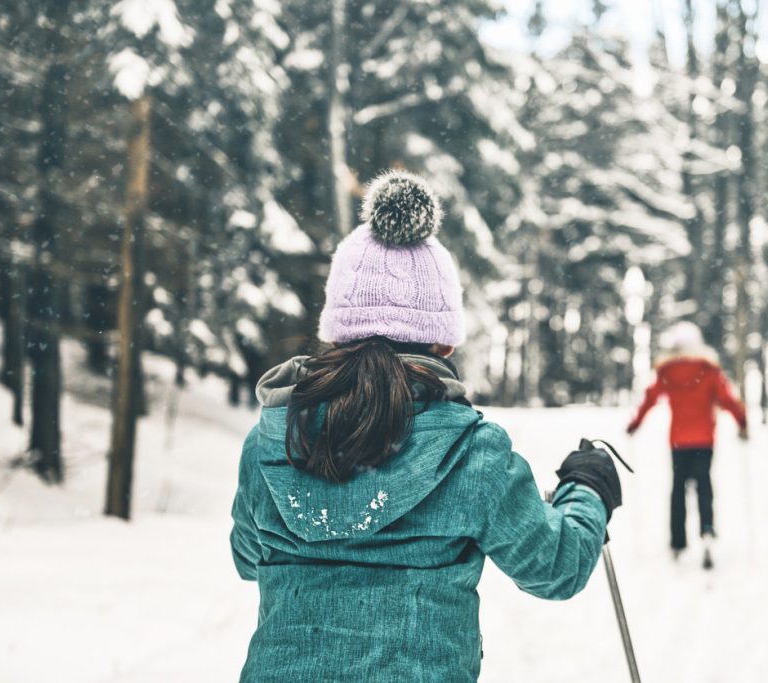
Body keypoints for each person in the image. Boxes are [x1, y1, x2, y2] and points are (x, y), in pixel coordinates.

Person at [230, 171, 623, 682]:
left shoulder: (275, 437)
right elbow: (556, 567)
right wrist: (587, 489)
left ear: (336, 331)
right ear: (443, 343)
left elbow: (246, 557)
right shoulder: (472, 452)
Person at [625, 321, 746, 568]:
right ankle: (707, 532)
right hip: (704, 440)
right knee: (704, 487)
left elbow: (650, 398)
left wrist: (635, 424)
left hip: (679, 441)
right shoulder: (710, 370)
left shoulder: (667, 371)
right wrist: (743, 422)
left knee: (678, 490)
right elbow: (728, 398)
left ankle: (678, 544)